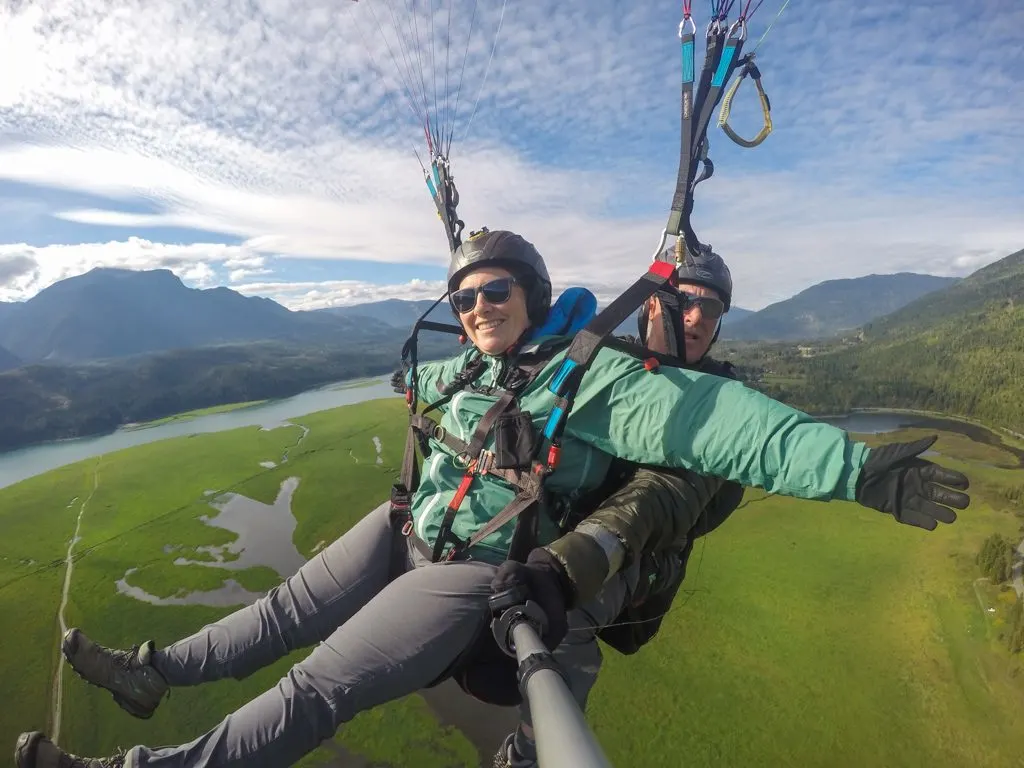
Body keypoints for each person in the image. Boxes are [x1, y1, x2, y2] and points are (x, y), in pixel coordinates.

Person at [15, 229, 970, 768]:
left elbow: (721, 430)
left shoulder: (597, 381)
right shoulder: (478, 369)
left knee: (318, 686)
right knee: (285, 606)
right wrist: (423, 396)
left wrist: (862, 471)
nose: (479, 307)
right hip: (413, 531)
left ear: (536, 293)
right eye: (466, 297)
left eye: (498, 291)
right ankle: (153, 671)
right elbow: (434, 394)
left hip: (488, 574)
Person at [491, 245, 748, 768]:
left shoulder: (722, 401)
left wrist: (573, 562)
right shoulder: (607, 366)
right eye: (685, 301)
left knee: (566, 628)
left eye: (712, 308)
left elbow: (660, 496)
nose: (698, 316)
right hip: (561, 533)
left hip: (634, 555)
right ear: (652, 305)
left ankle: (528, 753)